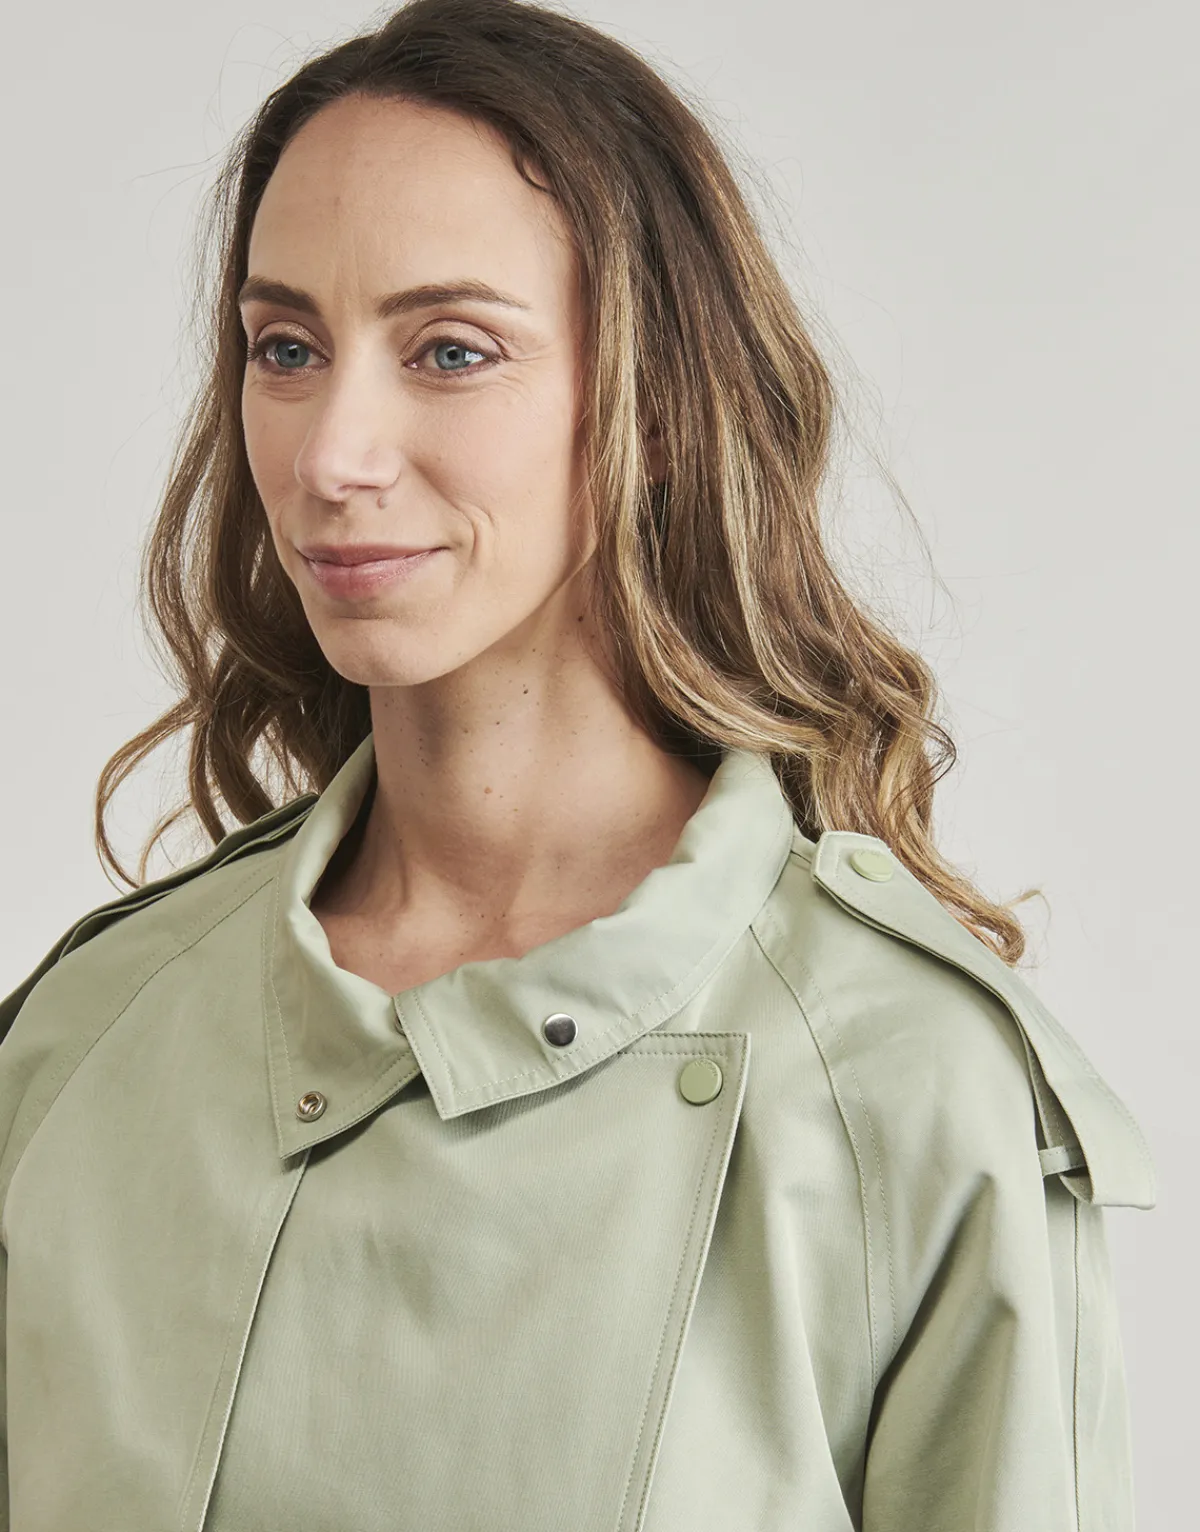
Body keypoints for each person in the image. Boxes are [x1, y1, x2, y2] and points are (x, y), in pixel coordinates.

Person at [0, 1, 1156, 1528]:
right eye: (286, 347)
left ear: (656, 405)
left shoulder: (901, 1087)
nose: (332, 453)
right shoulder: (91, 1035)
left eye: (451, 350)